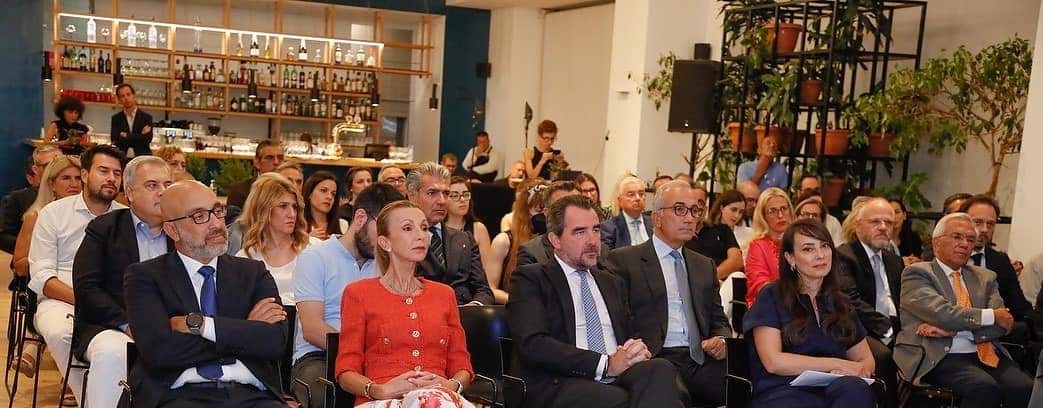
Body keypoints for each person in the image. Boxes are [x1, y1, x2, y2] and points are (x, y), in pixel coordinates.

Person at [507, 194, 684, 408]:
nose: (592, 241)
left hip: (617, 374)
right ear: (555, 240)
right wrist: (605, 364)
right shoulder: (531, 279)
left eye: (596, 230)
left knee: (661, 369)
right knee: (625, 399)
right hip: (562, 379)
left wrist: (636, 349)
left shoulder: (611, 281)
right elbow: (533, 344)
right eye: (580, 232)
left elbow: (630, 332)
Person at [122, 180, 288, 407]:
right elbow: (160, 352)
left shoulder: (252, 272)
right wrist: (244, 330)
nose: (217, 224)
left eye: (218, 212)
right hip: (178, 395)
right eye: (199, 216)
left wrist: (202, 326)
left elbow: (275, 341)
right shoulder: (145, 277)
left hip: (252, 395)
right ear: (172, 230)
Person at [334, 200, 475, 407]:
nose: (421, 235)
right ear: (385, 243)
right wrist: (379, 389)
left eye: (424, 228)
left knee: (432, 401)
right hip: (381, 400)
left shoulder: (444, 294)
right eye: (408, 228)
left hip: (440, 398)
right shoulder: (358, 293)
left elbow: (462, 364)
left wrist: (450, 385)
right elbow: (346, 371)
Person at [607, 181, 731, 406]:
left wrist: (722, 340)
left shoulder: (704, 265)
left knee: (752, 381)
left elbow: (719, 320)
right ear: (656, 218)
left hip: (700, 358)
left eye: (695, 211)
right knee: (667, 387)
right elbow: (617, 321)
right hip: (654, 357)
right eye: (679, 209)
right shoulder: (624, 261)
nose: (689, 218)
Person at [893, 212, 1032, 408]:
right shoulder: (918, 273)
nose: (965, 244)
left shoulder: (985, 277)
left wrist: (955, 330)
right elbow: (943, 314)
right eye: (957, 237)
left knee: (1024, 387)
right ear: (936, 242)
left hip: (985, 352)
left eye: (970, 239)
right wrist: (991, 316)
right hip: (939, 355)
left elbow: (1003, 324)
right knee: (983, 387)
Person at [28, 145, 126, 407]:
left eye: (117, 173)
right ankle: (90, 399)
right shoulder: (54, 213)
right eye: (103, 171)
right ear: (85, 174)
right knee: (60, 332)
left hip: (112, 300)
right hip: (61, 299)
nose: (111, 178)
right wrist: (85, 300)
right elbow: (42, 275)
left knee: (119, 344)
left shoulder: (125, 217)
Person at [71, 155, 172, 408]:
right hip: (112, 326)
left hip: (172, 326)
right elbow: (87, 289)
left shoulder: (182, 231)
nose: (162, 192)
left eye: (168, 185)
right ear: (130, 193)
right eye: (152, 185)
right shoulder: (104, 228)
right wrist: (128, 324)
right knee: (113, 352)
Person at [743, 218, 876, 408]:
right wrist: (835, 364)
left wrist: (858, 369)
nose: (820, 255)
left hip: (835, 388)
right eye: (808, 249)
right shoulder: (771, 295)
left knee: (855, 388)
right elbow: (773, 361)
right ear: (790, 258)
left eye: (825, 246)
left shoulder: (840, 302)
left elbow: (866, 360)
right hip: (785, 389)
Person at [292, 184, 400, 407]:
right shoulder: (315, 257)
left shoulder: (387, 264)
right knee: (330, 393)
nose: (386, 241)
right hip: (321, 356)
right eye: (382, 230)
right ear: (360, 218)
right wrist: (359, 353)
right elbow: (312, 329)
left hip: (376, 358)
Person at [8, 155, 81, 380]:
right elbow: (19, 265)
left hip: (80, 283)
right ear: (52, 183)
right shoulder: (36, 217)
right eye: (66, 178)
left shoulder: (95, 218)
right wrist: (45, 260)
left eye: (78, 178)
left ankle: (34, 349)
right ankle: (70, 378)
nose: (74, 184)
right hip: (44, 285)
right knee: (52, 294)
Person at [833, 198, 903, 407]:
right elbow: (850, 300)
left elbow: (905, 300)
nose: (883, 227)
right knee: (883, 356)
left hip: (895, 324)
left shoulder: (894, 260)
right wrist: (888, 330)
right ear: (858, 226)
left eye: (888, 222)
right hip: (860, 326)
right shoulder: (843, 255)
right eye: (875, 221)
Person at [406, 162, 493, 305]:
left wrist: (474, 306)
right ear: (412, 195)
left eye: (446, 193)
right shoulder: (400, 239)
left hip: (463, 314)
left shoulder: (464, 238)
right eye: (432, 193)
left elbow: (483, 290)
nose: (442, 201)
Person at [959, 195, 1034, 345]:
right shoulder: (945, 257)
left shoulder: (1000, 261)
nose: (984, 229)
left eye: (990, 224)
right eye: (978, 222)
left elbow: (1020, 306)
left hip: (995, 340)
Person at [235, 173, 319, 305]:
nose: (292, 214)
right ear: (263, 209)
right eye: (283, 206)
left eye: (294, 207)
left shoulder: (315, 249)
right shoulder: (245, 258)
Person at [518, 181, 611, 269]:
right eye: (563, 207)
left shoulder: (602, 250)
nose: (573, 212)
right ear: (547, 213)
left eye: (578, 205)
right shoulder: (532, 253)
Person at [488, 180, 545, 304]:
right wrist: (519, 302)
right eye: (539, 210)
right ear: (525, 211)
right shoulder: (504, 241)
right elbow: (490, 289)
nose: (544, 216)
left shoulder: (556, 242)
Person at [1, 145, 60, 252]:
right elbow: (4, 237)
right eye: (48, 165)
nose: (55, 169)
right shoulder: (18, 198)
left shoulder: (75, 197)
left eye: (60, 163)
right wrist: (33, 246)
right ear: (35, 169)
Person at [744, 187, 793, 305]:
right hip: (769, 307)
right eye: (772, 211)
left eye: (784, 209)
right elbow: (760, 287)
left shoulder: (799, 242)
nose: (780, 215)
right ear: (763, 216)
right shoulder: (757, 246)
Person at [684, 185, 743, 280]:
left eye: (700, 203)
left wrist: (710, 279)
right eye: (691, 202)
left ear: (705, 209)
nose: (696, 207)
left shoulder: (723, 230)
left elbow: (736, 261)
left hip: (721, 282)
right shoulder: (679, 236)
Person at [446, 177, 494, 280]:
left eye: (465, 194)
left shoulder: (479, 228)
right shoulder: (438, 228)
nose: (462, 200)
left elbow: (487, 273)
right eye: (455, 195)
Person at [227, 140, 285, 209]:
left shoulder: (291, 189)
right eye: (269, 158)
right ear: (257, 163)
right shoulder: (240, 191)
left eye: (280, 158)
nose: (276, 162)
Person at [601, 176, 652, 250]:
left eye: (641, 194)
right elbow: (608, 255)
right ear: (620, 201)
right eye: (631, 195)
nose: (638, 198)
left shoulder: (654, 223)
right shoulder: (609, 228)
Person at [110, 84, 154, 157]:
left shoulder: (146, 117)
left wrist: (126, 135)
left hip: (141, 158)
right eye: (122, 96)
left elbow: (147, 139)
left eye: (128, 94)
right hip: (122, 158)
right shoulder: (116, 118)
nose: (126, 98)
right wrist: (139, 135)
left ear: (134, 96)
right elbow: (115, 140)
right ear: (119, 100)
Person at [302, 171, 349, 240]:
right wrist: (309, 240)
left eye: (333, 194)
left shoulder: (343, 225)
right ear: (310, 194)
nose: (329, 197)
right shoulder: (298, 225)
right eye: (323, 190)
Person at [887, 198, 923, 262]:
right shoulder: (880, 238)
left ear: (904, 215)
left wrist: (917, 261)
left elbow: (919, 258)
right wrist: (900, 262)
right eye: (889, 213)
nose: (894, 216)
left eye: (897, 212)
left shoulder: (913, 238)